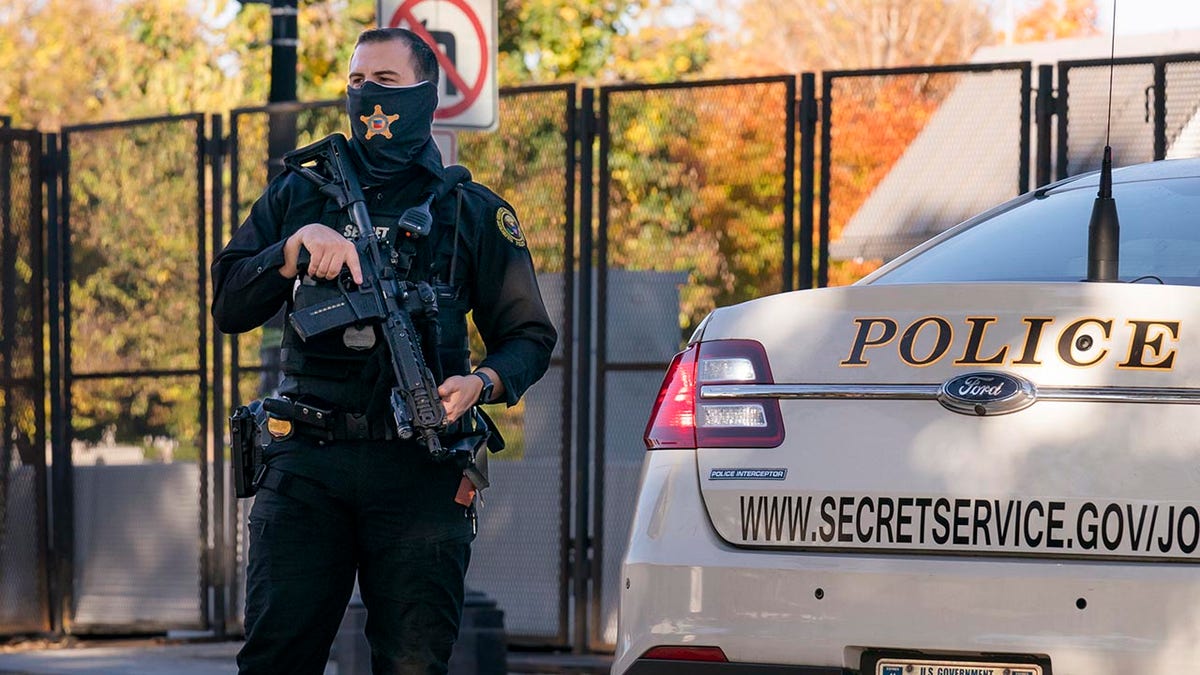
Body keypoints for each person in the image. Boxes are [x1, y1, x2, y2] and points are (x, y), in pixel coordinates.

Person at [211, 27, 557, 675]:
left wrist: (481, 382)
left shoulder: (470, 212)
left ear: (427, 96)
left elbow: (530, 337)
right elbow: (229, 300)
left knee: (413, 664)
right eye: (356, 82)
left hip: (421, 472)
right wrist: (291, 252)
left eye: (387, 83)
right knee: (274, 660)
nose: (367, 94)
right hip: (306, 465)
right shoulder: (299, 194)